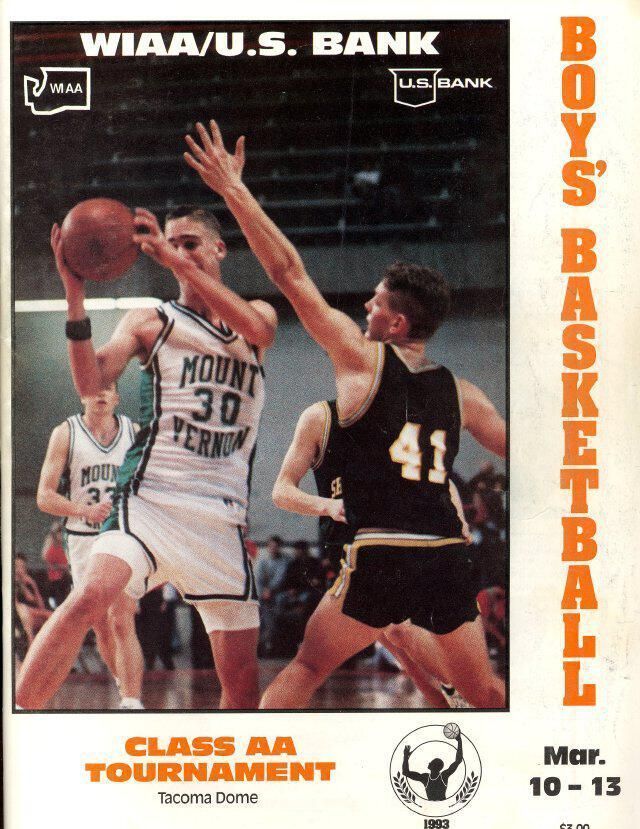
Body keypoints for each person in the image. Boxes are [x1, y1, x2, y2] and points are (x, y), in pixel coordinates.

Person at [184, 120, 506, 709]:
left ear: (397, 324)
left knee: (307, 666)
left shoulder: (362, 360)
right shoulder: (465, 393)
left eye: (375, 303)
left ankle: (253, 754)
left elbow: (289, 274)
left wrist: (234, 190)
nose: (364, 306)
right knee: (482, 692)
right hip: (446, 554)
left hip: (383, 549)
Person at [16, 196, 277, 710]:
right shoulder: (150, 320)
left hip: (221, 516)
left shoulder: (255, 315)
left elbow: (260, 331)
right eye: (171, 243)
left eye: (190, 244)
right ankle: (22, 720)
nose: (177, 252)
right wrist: (74, 296)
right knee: (90, 597)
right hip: (150, 499)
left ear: (220, 249)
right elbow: (91, 383)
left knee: (243, 687)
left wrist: (173, 258)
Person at [272, 399, 472, 708]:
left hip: (393, 548)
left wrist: (458, 518)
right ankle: (459, 694)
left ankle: (460, 696)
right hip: (347, 550)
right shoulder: (321, 418)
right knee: (399, 642)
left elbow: (441, 478)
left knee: (399, 634)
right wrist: (328, 505)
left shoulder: (404, 418)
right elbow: (281, 491)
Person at [36, 384, 145, 708]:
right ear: (82, 394)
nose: (100, 394)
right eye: (94, 388)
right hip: (82, 537)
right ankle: (122, 680)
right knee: (100, 624)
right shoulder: (66, 433)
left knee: (122, 616)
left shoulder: (134, 432)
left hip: (120, 534)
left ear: (116, 397)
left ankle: (132, 701)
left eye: (107, 388)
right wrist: (84, 510)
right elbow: (44, 496)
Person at [402, 733, 463, 801]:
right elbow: (405, 772)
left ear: (434, 766)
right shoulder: (440, 776)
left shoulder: (428, 777)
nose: (429, 763)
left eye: (431, 762)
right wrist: (405, 756)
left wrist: (405, 756)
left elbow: (405, 772)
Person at [255, 535, 289, 656]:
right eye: (271, 546)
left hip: (278, 594)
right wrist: (263, 591)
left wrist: (270, 590)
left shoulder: (284, 560)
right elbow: (258, 579)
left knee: (275, 615)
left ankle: (271, 644)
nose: (273, 548)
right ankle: (261, 645)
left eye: (276, 546)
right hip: (263, 594)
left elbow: (280, 578)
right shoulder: (262, 560)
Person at [14, 553, 52, 646]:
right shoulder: (12, 583)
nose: (19, 570)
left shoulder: (28, 582)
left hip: (33, 614)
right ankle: (31, 644)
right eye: (17, 567)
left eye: (22, 567)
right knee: (25, 611)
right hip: (21, 615)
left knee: (51, 617)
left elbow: (41, 605)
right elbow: (16, 606)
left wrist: (33, 585)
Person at [40, 521, 72, 608]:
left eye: (62, 533)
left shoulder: (65, 546)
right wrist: (64, 567)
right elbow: (49, 563)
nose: (61, 535)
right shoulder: (50, 547)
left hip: (66, 578)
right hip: (56, 580)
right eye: (59, 533)